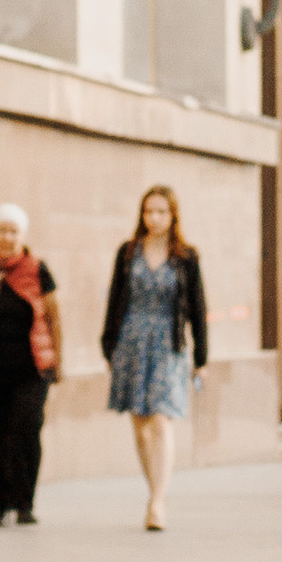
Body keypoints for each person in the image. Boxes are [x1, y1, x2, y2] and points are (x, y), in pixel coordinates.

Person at [101, 184, 207, 530]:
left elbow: (197, 307)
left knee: (160, 420)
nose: (154, 218)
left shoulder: (186, 257)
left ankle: (158, 502)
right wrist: (108, 344)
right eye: (149, 211)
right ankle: (153, 489)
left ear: (173, 215)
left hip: (167, 343)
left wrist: (201, 358)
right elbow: (115, 297)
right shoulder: (128, 252)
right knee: (141, 426)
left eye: (161, 211)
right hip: (131, 340)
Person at [0, 207, 61, 526]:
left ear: (23, 236)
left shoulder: (37, 269)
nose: (7, 237)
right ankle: (1, 498)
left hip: (31, 369)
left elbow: (53, 315)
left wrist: (57, 359)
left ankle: (24, 500)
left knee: (25, 428)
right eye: (1, 230)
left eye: (13, 231)